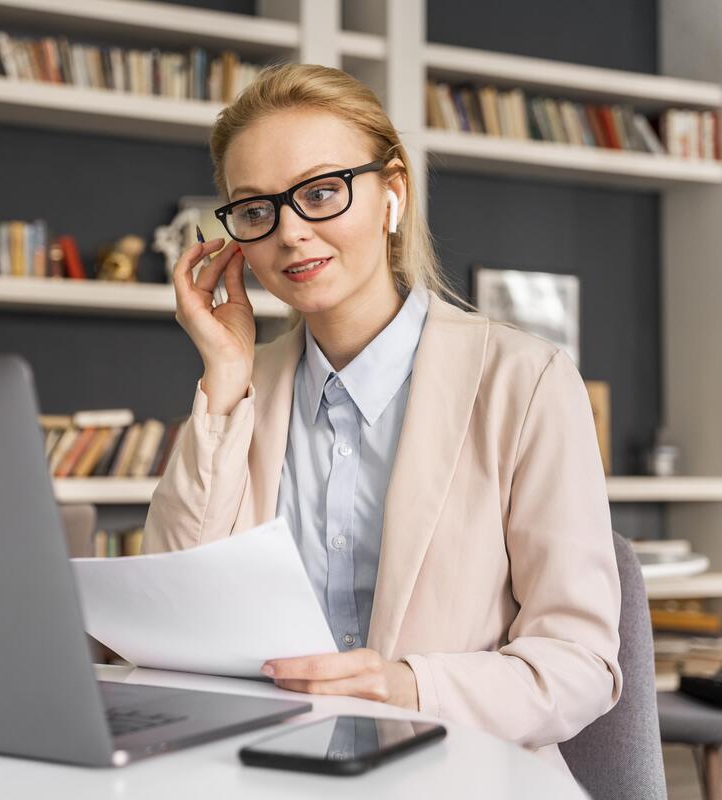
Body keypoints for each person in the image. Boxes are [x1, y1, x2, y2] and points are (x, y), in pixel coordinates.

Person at [143, 63, 622, 779]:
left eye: (322, 192)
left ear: (392, 193)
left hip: (460, 772)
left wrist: (408, 687)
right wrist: (222, 378)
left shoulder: (525, 380)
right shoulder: (243, 390)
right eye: (256, 209)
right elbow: (169, 616)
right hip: (263, 771)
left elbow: (580, 664)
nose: (291, 233)